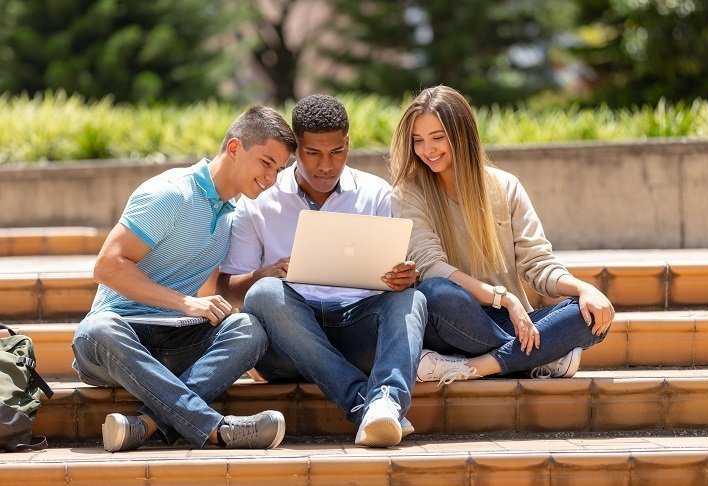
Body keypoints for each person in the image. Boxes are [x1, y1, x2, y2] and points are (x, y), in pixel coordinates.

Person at [71, 106, 297, 452]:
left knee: (250, 329)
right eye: (267, 163)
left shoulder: (231, 215)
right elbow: (107, 266)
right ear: (235, 148)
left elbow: (221, 291)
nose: (272, 178)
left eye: (279, 170)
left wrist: (260, 276)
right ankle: (215, 429)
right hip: (115, 343)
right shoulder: (171, 194)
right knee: (100, 327)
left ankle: (145, 425)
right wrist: (184, 302)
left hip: (173, 341)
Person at [217, 94, 426, 448]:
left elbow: (398, 273)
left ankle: (386, 401)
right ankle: (371, 406)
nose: (326, 166)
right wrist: (263, 275)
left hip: (355, 331)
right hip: (288, 345)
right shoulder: (259, 200)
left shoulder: (376, 194)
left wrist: (404, 278)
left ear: (348, 144)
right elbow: (226, 289)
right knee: (264, 294)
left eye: (337, 152)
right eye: (313, 153)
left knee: (413, 298)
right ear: (295, 150)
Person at [389, 85, 614, 385]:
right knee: (437, 293)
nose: (427, 150)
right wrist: (504, 298)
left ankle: (476, 367)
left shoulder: (506, 187)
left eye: (437, 138)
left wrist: (584, 288)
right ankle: (542, 354)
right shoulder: (407, 194)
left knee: (590, 315)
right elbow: (431, 269)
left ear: (461, 135)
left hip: (513, 321)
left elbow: (538, 263)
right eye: (418, 141)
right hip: (453, 320)